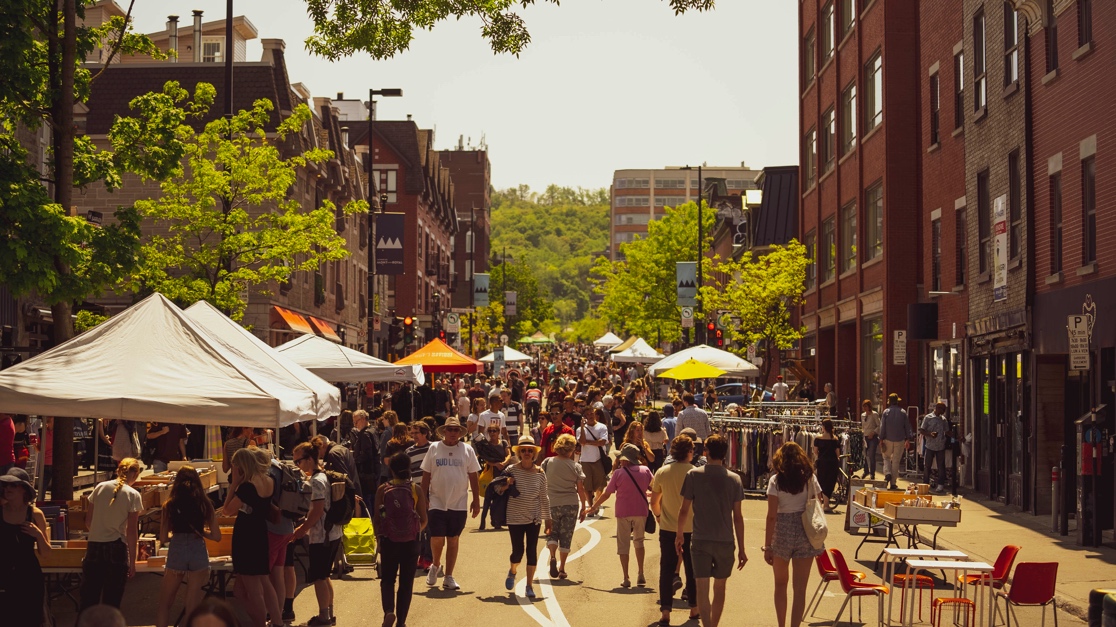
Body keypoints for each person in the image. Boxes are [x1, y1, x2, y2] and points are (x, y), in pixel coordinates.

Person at [676, 434, 747, 627]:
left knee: (702, 587)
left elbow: (684, 510)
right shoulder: (734, 479)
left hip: (700, 539)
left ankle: (707, 625)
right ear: (725, 453)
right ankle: (714, 625)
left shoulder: (694, 475)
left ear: (706, 451)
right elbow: (738, 517)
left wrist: (679, 533)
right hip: (725, 540)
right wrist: (742, 548)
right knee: (720, 587)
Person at [763, 442, 827, 627]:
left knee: (780, 585)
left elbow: (771, 516)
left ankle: (781, 625)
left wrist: (768, 546)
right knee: (800, 590)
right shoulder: (809, 478)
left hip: (782, 530)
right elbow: (819, 500)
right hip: (804, 530)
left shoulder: (775, 481)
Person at [223, 448, 283, 627]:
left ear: (240, 466)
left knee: (253, 588)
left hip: (246, 535)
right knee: (257, 582)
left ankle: (261, 623)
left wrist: (234, 484)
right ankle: (276, 621)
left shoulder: (247, 486)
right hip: (260, 532)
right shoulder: (269, 480)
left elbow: (227, 511)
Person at [420, 416, 481, 591]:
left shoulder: (467, 450)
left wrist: (476, 500)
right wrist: (423, 498)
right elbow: (426, 475)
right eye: (450, 430)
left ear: (460, 433)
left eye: (456, 430)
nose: (453, 433)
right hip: (437, 500)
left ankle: (449, 576)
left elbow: (473, 476)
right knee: (437, 537)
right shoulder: (434, 448)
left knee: (453, 539)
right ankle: (436, 565)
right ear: (444, 432)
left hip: (459, 502)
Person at [157, 466, 221, 627]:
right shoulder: (205, 504)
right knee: (192, 606)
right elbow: (217, 536)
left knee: (165, 603)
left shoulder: (169, 505)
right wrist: (201, 532)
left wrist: (175, 533)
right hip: (197, 548)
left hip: (177, 547)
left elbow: (163, 537)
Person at [588, 443, 654, 588]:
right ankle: (641, 573)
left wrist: (594, 506)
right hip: (641, 510)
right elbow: (654, 488)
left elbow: (606, 494)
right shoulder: (645, 470)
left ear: (625, 459)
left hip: (623, 511)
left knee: (623, 544)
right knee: (639, 541)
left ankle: (626, 577)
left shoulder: (619, 473)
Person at [81, 457, 143, 609]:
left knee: (89, 601)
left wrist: (100, 531)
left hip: (94, 547)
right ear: (135, 474)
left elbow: (88, 521)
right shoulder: (133, 495)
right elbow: (131, 531)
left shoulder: (100, 487)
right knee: (111, 603)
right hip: (116, 548)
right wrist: (133, 561)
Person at [651, 436, 699, 626]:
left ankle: (665, 611)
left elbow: (654, 502)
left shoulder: (662, 472)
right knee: (692, 569)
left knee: (666, 569)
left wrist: (659, 517)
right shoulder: (696, 472)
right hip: (692, 528)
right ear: (689, 452)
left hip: (668, 527)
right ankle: (694, 608)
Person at [375, 452, 428, 627]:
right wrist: (414, 531)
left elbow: (377, 518)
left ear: (391, 469)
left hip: (389, 541)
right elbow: (424, 518)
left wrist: (379, 539)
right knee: (406, 583)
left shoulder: (383, 489)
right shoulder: (415, 489)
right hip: (411, 543)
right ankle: (402, 622)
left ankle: (389, 611)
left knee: (388, 579)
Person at [292, 442, 340, 626]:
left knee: (319, 577)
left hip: (322, 536)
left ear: (310, 459)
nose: (298, 466)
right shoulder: (323, 476)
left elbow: (317, 511)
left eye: (299, 461)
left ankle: (324, 617)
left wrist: (302, 529)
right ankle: (329, 613)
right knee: (325, 575)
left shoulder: (316, 481)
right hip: (331, 533)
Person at [498, 435, 550, 599]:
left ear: (534, 453)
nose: (527, 453)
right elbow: (497, 488)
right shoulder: (511, 470)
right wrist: (507, 484)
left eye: (530, 450)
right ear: (519, 453)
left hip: (534, 518)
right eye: (524, 450)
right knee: (517, 551)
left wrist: (548, 519)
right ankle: (513, 570)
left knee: (532, 551)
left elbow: (544, 497)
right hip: (514, 517)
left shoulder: (541, 473)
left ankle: (529, 585)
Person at [1, 467, 50, 626]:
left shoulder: (35, 514)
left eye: (13, 485)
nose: (7, 489)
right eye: (5, 485)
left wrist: (38, 534)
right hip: (3, 574)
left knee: (31, 619)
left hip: (28, 575)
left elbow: (46, 553)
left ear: (23, 489)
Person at [541, 434, 588, 580]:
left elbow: (541, 482)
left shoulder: (548, 462)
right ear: (572, 449)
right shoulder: (575, 466)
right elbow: (580, 488)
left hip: (552, 503)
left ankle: (553, 556)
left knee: (552, 533)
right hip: (570, 503)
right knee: (566, 536)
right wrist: (584, 506)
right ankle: (562, 568)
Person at [576, 407, 611, 503]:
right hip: (585, 460)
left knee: (601, 483)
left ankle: (596, 500)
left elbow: (602, 442)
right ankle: (591, 507)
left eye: (592, 413)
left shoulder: (602, 427)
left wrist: (587, 442)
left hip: (598, 459)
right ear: (584, 417)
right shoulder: (580, 429)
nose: (590, 416)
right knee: (587, 486)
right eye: (587, 414)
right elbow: (582, 442)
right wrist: (583, 427)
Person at [879, 393, 912, 490]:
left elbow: (882, 427)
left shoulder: (886, 412)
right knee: (896, 461)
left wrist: (881, 438)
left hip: (887, 439)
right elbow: (907, 426)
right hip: (900, 440)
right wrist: (908, 439)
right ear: (897, 401)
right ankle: (893, 482)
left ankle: (887, 473)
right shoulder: (903, 412)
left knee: (886, 457)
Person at [919, 401, 952, 493]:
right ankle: (925, 484)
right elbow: (922, 430)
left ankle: (940, 485)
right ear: (938, 408)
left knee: (941, 466)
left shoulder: (943, 419)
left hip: (941, 446)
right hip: (930, 445)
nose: (944, 412)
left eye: (945, 410)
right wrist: (929, 434)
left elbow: (947, 431)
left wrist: (956, 436)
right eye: (943, 409)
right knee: (927, 466)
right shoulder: (928, 417)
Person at [348, 410, 380, 503]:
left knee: (367, 498)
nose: (355, 425)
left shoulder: (365, 434)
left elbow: (366, 454)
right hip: (374, 470)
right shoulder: (373, 430)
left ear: (362, 419)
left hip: (366, 472)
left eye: (356, 422)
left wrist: (355, 460)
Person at [813, 419, 840, 512]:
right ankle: (826, 505)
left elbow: (815, 451)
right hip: (832, 463)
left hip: (822, 462)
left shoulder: (818, 438)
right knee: (830, 483)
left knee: (822, 482)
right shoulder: (835, 439)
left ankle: (823, 504)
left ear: (823, 427)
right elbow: (838, 454)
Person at [860, 400, 881, 480]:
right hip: (865, 437)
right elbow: (863, 426)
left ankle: (872, 473)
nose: (864, 408)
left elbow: (879, 426)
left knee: (871, 455)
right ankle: (866, 471)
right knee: (864, 455)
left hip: (872, 437)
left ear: (869, 406)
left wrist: (873, 433)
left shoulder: (874, 414)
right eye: (863, 406)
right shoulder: (863, 415)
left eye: (866, 406)